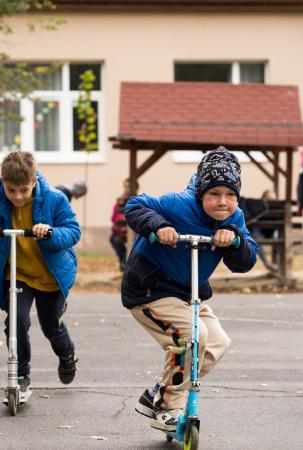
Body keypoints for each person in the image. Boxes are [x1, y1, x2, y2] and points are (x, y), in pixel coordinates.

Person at [122, 147, 258, 431]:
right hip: (150, 289)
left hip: (188, 294)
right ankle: (168, 407)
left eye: (230, 195)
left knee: (217, 342)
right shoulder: (178, 204)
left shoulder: (235, 218)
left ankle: (158, 395)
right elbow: (134, 205)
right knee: (193, 337)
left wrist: (234, 240)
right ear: (200, 193)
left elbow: (246, 261)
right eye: (214, 194)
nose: (223, 202)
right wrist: (158, 226)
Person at [0, 151, 81, 398]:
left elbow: (73, 231)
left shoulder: (54, 199)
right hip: (17, 274)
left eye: (24, 190)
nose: (18, 197)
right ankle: (20, 375)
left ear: (34, 182)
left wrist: (50, 232)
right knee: (16, 321)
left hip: (50, 276)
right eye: (11, 190)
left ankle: (67, 354)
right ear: (2, 183)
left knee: (51, 326)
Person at [110, 179, 136, 273]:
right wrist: (118, 222)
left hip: (134, 230)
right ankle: (122, 262)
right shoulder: (121, 200)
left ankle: (131, 266)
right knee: (114, 239)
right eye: (125, 186)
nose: (127, 189)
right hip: (121, 230)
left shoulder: (137, 199)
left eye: (129, 186)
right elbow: (114, 216)